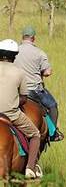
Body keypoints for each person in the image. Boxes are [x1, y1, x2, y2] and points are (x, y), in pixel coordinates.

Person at [0, 39, 42, 178]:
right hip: (11, 115)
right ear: (14, 56)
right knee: (35, 134)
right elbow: (24, 98)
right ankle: (30, 168)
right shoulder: (19, 72)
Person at [14, 26, 63, 142]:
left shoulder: (14, 51)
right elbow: (47, 72)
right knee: (52, 105)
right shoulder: (39, 53)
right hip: (34, 90)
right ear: (33, 38)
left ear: (23, 37)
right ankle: (53, 133)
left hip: (16, 89)